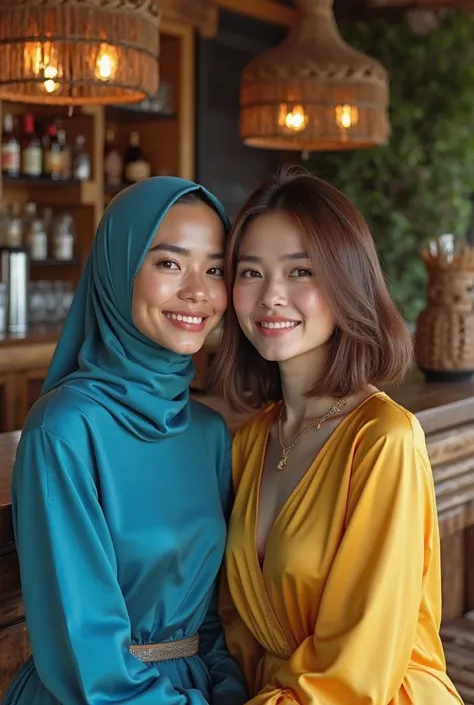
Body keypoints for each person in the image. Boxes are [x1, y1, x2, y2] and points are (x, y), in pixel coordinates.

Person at [212, 165, 463, 705]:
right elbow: (236, 631)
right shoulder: (252, 441)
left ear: (347, 281)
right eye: (251, 273)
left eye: (300, 272)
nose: (271, 296)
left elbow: (354, 677)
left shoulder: (384, 440)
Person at [3, 177, 247, 705]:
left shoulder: (208, 434)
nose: (197, 292)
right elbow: (85, 654)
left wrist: (228, 692)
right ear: (119, 270)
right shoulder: (64, 430)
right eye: (168, 263)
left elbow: (210, 620)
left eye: (214, 269)